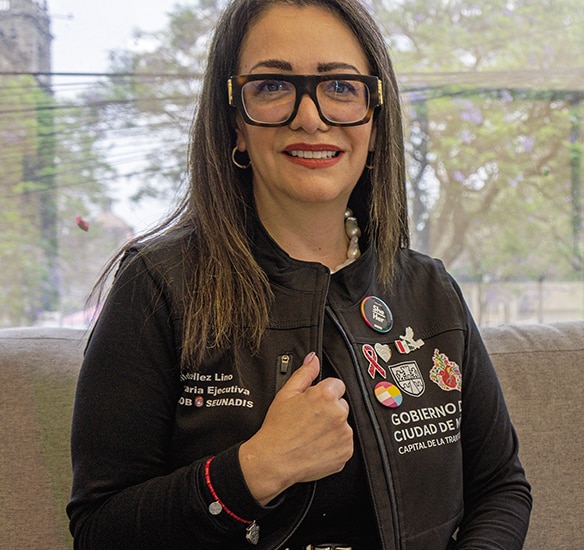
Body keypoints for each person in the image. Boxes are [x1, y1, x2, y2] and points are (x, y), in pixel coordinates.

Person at [67, 1, 531, 548]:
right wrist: (254, 471)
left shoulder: (431, 292)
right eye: (272, 87)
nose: (310, 116)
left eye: (340, 88)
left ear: (375, 123)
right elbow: (99, 529)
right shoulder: (156, 285)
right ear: (235, 124)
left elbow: (501, 488)